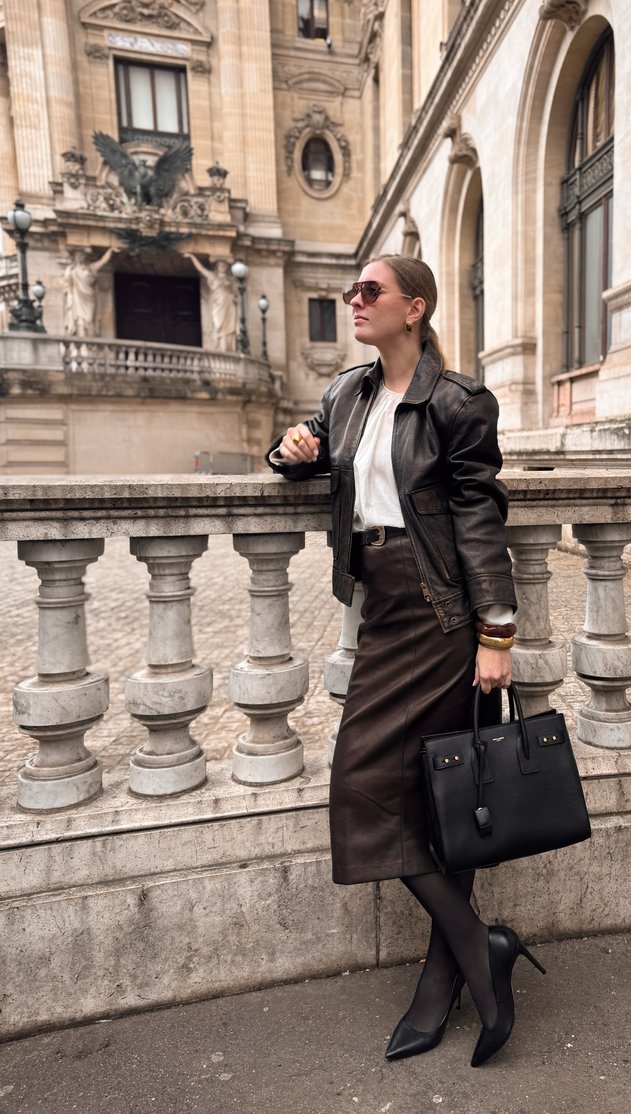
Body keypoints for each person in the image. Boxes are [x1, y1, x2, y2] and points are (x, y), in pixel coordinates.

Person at [268, 254, 545, 1067]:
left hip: (437, 612)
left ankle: (458, 969)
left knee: (400, 790)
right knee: (394, 793)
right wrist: (286, 451)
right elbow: (317, 460)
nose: (355, 301)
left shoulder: (458, 403)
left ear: (413, 309)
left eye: (371, 292)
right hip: (380, 608)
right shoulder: (347, 395)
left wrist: (496, 635)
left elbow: (480, 519)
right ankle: (470, 953)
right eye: (353, 291)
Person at [183, 253, 237, 352]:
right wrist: (192, 257)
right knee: (217, 325)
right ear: (217, 267)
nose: (222, 267)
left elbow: (235, 292)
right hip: (218, 305)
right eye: (220, 265)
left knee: (228, 328)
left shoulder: (229, 279)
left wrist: (233, 297)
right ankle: (218, 347)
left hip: (228, 304)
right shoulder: (212, 276)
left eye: (224, 265)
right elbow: (201, 269)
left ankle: (226, 347)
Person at [62, 247, 115, 338]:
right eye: (78, 255)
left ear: (85, 257)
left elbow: (102, 261)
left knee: (89, 320)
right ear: (75, 257)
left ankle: (89, 344)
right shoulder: (71, 270)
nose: (80, 257)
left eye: (82, 256)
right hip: (77, 297)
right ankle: (82, 345)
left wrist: (111, 250)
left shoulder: (91, 268)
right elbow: (66, 284)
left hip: (89, 298)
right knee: (80, 320)